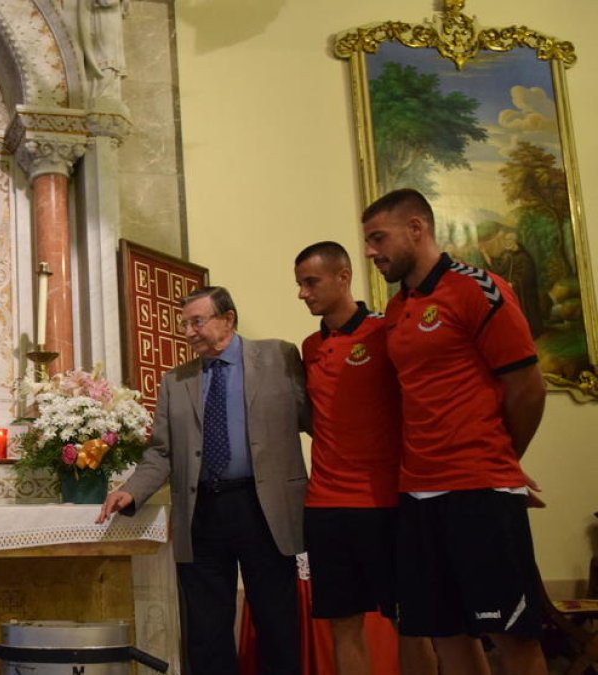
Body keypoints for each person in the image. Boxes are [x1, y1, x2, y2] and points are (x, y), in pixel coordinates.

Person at [361, 188, 548, 675]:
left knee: (511, 637)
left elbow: (528, 387)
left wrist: (502, 459)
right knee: (445, 636)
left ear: (416, 229)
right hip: (419, 495)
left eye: (379, 238)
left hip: (480, 490)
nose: (370, 252)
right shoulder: (398, 309)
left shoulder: (478, 287)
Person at [98, 286, 308, 675]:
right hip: (202, 513)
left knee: (277, 623)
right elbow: (161, 452)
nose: (189, 332)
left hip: (265, 508)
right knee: (206, 631)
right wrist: (131, 490)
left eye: (197, 321)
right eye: (184, 324)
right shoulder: (175, 382)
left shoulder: (279, 357)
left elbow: (318, 421)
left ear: (227, 319)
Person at [294, 241, 435, 675]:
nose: (302, 293)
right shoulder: (310, 346)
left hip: (383, 503)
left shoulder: (384, 329)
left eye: (311, 282)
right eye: (299, 284)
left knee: (409, 621)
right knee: (343, 622)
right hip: (325, 506)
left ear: (343, 276)